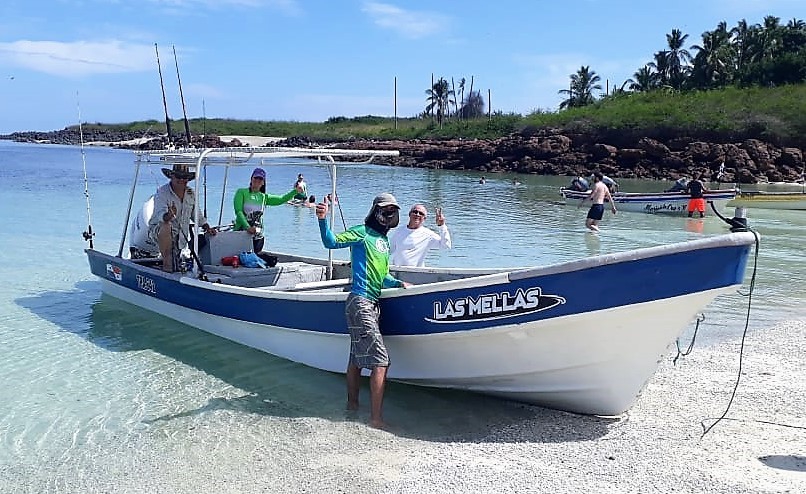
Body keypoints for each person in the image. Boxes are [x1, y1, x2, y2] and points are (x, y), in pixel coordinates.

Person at [315, 192, 410, 429]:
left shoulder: (384, 242)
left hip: (373, 303)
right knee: (381, 361)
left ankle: (352, 407)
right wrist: (322, 219)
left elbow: (382, 276)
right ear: (376, 211)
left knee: (357, 358)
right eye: (386, 210)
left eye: (393, 211)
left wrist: (399, 284)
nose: (389, 215)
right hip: (359, 301)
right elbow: (331, 242)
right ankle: (376, 420)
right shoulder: (361, 232)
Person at [131, 163, 217, 272]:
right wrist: (168, 216)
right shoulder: (162, 192)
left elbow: (196, 215)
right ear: (172, 177)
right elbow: (159, 215)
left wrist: (207, 227)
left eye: (184, 177)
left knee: (178, 261)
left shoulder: (191, 193)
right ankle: (167, 264)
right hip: (159, 231)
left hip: (181, 236)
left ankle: (176, 265)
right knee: (166, 225)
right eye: (178, 176)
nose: (181, 180)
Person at [233, 167, 303, 252]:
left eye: (260, 179)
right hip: (241, 234)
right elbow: (238, 211)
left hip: (258, 236)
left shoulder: (264, 197)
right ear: (251, 178)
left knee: (254, 261)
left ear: (263, 182)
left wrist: (295, 191)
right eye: (256, 177)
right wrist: (248, 227)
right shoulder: (241, 192)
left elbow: (281, 199)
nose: (258, 180)